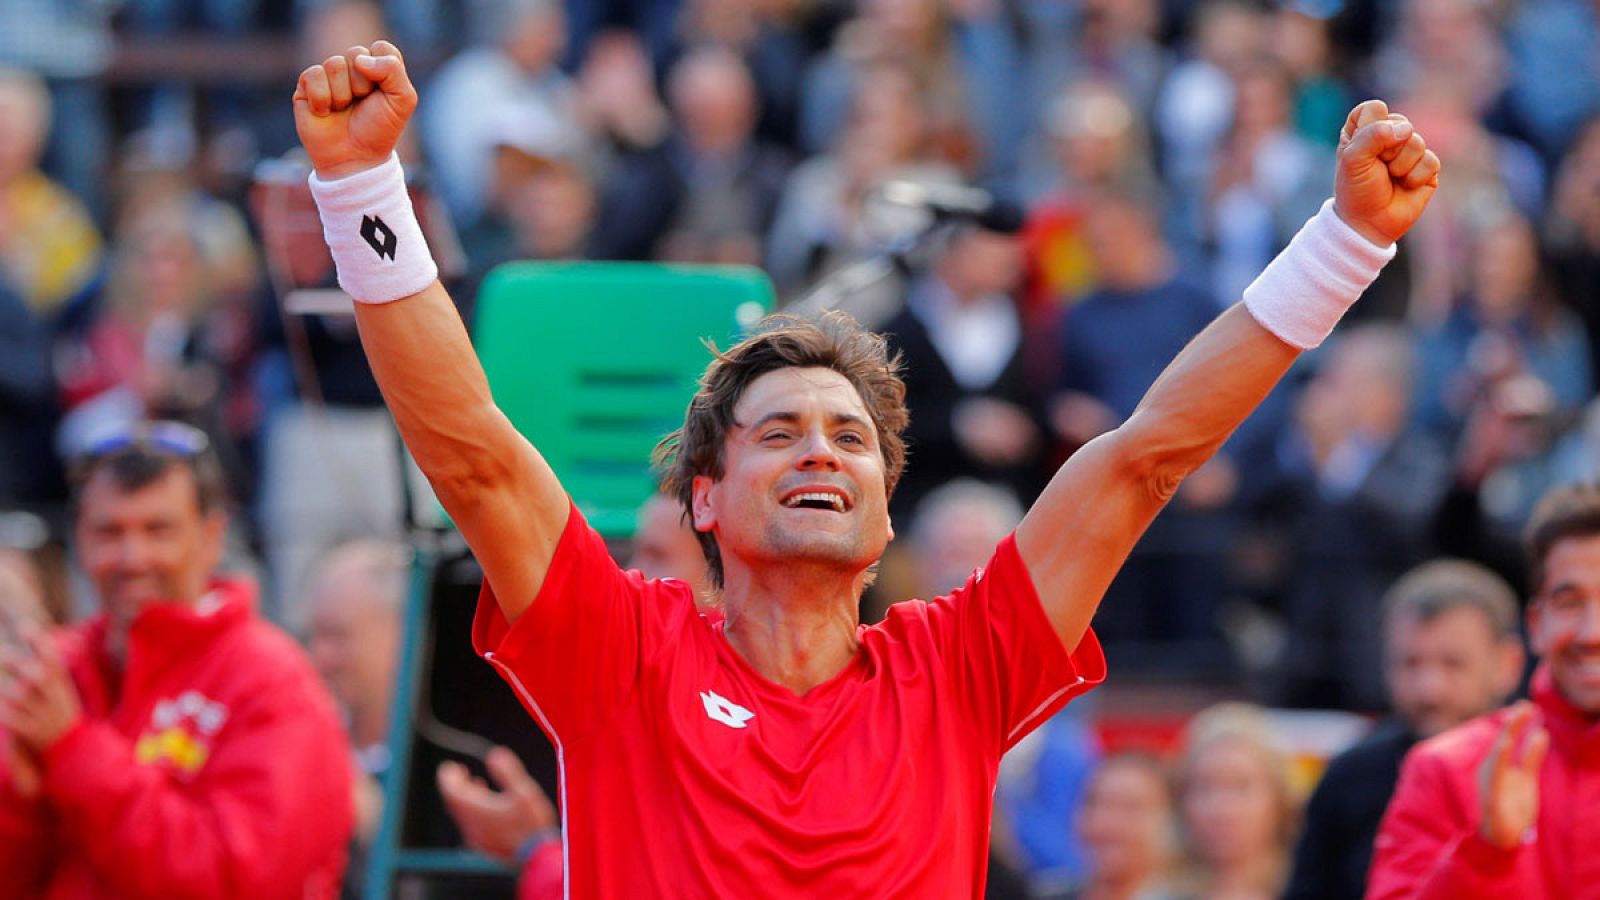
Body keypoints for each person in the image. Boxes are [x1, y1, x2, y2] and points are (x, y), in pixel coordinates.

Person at [291, 40, 1438, 895]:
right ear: (704, 498)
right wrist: (358, 190)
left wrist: (1340, 246)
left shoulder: (958, 669)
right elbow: (476, 459)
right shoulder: (624, 651)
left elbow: (1145, 457)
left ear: (888, 517)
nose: (821, 454)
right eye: (778, 432)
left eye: (849, 439)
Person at [0, 420, 353, 897]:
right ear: (79, 540)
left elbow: (239, 883)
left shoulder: (273, 681)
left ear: (211, 537)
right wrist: (19, 799)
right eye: (109, 530)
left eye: (157, 529)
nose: (132, 556)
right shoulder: (54, 670)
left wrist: (72, 750)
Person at [1368, 483, 1600, 897]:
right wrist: (1485, 854)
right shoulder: (1444, 769)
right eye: (1569, 602)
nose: (1591, 632)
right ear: (1535, 624)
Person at [1283, 559, 1525, 900]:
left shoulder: (1551, 769)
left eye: (1453, 663)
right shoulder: (1349, 778)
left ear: (1507, 664)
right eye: (1410, 663)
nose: (1430, 689)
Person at [1172, 702, 1300, 899]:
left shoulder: (1313, 887)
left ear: (1279, 798)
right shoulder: (1157, 892)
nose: (1222, 809)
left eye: (1241, 787)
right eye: (1206, 787)